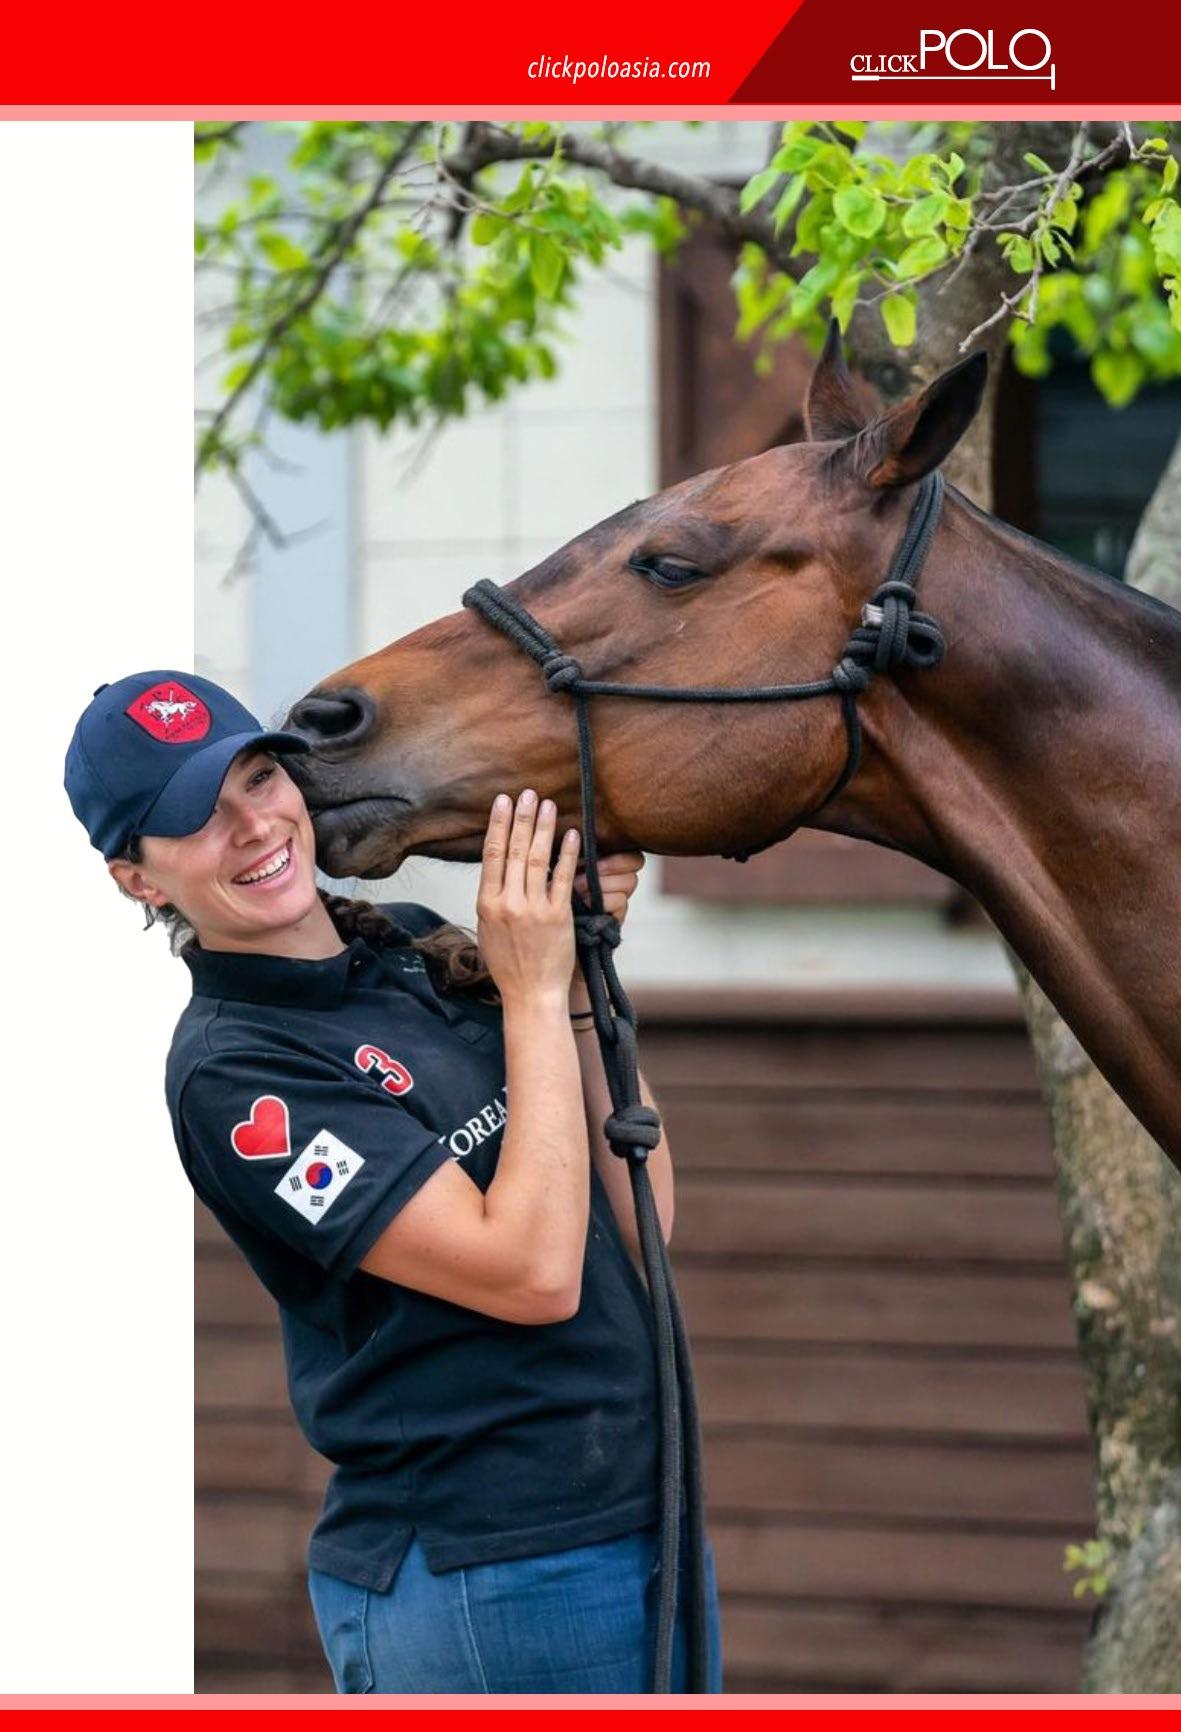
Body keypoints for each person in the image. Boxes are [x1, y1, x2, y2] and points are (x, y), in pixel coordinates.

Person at [64, 669, 722, 1695]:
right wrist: (530, 993)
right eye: (195, 815)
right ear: (138, 880)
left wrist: (573, 977)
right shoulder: (236, 1074)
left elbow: (643, 1222)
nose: (253, 825)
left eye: (256, 778)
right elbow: (532, 1274)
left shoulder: (413, 945)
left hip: (640, 1524)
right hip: (486, 1579)